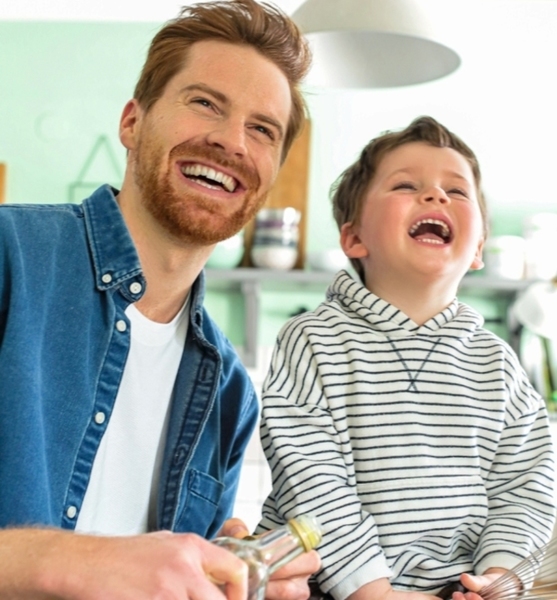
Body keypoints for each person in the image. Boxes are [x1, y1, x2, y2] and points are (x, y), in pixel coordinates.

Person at [0, 0, 321, 598]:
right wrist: (72, 563)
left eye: (262, 129)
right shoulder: (8, 256)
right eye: (205, 103)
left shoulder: (229, 392)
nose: (231, 141)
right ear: (132, 122)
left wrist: (231, 581)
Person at [256, 116, 556, 600]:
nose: (436, 196)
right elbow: (309, 477)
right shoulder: (313, 339)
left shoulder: (498, 364)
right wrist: (372, 592)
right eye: (406, 185)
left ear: (478, 248)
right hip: (330, 589)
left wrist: (499, 580)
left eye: (456, 191)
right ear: (354, 238)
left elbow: (526, 488)